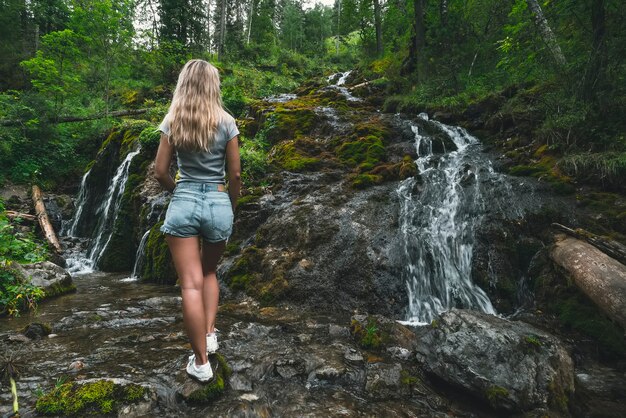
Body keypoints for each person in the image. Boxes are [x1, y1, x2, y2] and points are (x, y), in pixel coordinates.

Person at [154, 59, 241, 382]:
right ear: (213, 85)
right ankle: (210, 333)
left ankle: (201, 363)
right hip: (218, 202)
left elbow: (160, 171)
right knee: (208, 271)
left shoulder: (173, 119)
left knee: (189, 283)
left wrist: (179, 191)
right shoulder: (227, 121)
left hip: (184, 200)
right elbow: (234, 173)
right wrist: (229, 205)